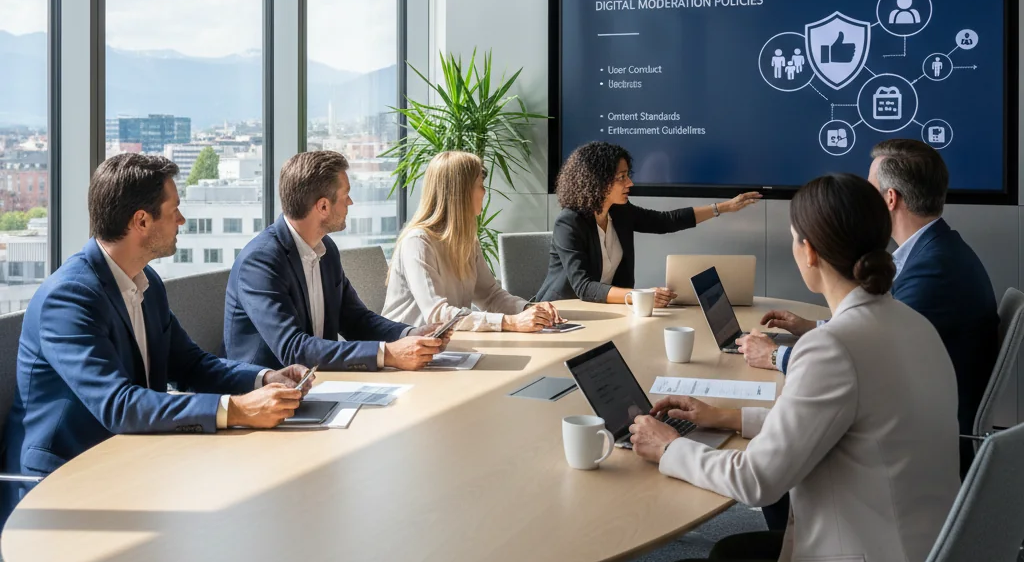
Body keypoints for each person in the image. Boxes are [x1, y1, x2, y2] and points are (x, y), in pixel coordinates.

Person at [629, 173, 960, 562]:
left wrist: (669, 446)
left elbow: (756, 482)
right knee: (728, 552)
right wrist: (726, 417)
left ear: (808, 253)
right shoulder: (912, 324)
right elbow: (849, 425)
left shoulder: (832, 346)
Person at [0, 154, 312, 562]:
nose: (183, 221)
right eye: (175, 209)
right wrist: (235, 411)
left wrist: (262, 381)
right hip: (62, 487)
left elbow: (191, 364)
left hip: (131, 465)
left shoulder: (145, 284)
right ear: (140, 221)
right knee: (203, 529)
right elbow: (118, 404)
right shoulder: (69, 297)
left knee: (246, 509)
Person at [740, 138, 998, 476]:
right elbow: (872, 334)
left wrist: (775, 356)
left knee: (781, 451)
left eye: (868, 189)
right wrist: (809, 328)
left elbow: (867, 361)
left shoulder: (934, 272)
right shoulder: (938, 251)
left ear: (889, 199)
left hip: (916, 446)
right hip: (920, 421)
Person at [224, 150, 444, 372]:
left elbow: (355, 320)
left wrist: (410, 334)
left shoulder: (326, 249)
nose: (350, 201)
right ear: (323, 207)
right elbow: (293, 349)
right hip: (267, 395)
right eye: (345, 194)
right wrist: (388, 354)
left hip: (320, 383)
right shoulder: (260, 262)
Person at [534, 142, 760, 306]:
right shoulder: (569, 222)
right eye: (621, 177)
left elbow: (665, 221)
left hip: (605, 312)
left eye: (627, 175)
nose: (629, 183)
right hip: (562, 314)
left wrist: (724, 207)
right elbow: (584, 287)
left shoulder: (620, 212)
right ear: (597, 181)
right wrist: (639, 296)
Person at [382, 151, 561, 332]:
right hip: (407, 350)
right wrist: (510, 322)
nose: (484, 192)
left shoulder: (466, 240)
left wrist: (528, 309)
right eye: (480, 184)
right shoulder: (418, 242)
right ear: (461, 192)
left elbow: (490, 295)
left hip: (447, 347)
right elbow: (437, 314)